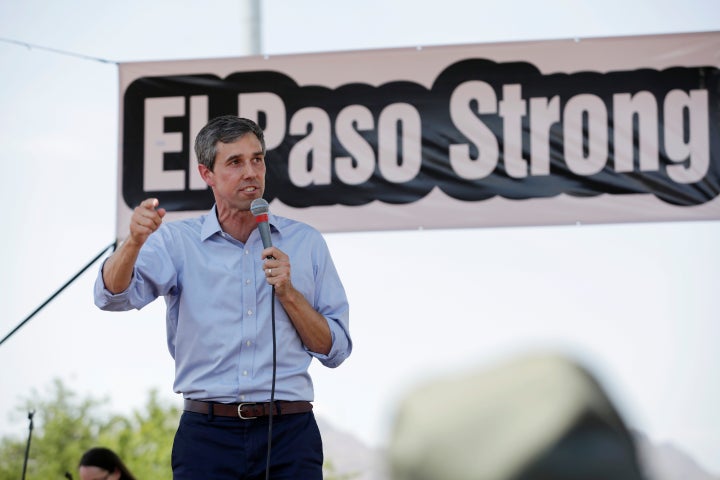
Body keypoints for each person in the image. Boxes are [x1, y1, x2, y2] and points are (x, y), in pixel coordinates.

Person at [94, 115, 352, 479]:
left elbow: (336, 350)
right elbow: (111, 297)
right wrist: (133, 243)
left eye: (257, 159)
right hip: (207, 436)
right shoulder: (178, 242)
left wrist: (289, 294)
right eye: (235, 162)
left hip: (289, 434)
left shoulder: (306, 242)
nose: (251, 172)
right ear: (206, 174)